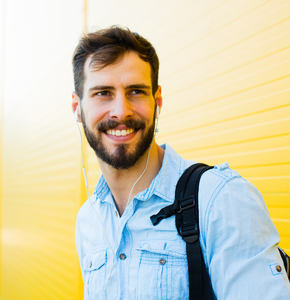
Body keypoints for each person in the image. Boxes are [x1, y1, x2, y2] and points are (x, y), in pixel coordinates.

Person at [71, 26, 290, 300]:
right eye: (103, 93)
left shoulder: (220, 200)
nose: (120, 111)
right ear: (77, 108)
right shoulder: (88, 220)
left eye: (136, 91)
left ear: (157, 101)